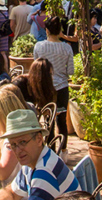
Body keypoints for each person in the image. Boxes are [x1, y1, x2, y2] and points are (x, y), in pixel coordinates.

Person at [0, 109, 78, 200]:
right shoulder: (32, 161)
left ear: (39, 139)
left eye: (23, 142)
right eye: (13, 145)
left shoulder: (44, 173)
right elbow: (11, 192)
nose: (18, 150)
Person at [32, 17, 73, 150]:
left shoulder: (39, 46)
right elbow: (71, 71)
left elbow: (36, 67)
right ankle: (64, 150)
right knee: (62, 121)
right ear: (60, 30)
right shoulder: (67, 48)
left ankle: (51, 150)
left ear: (47, 30)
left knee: (48, 121)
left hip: (45, 87)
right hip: (62, 87)